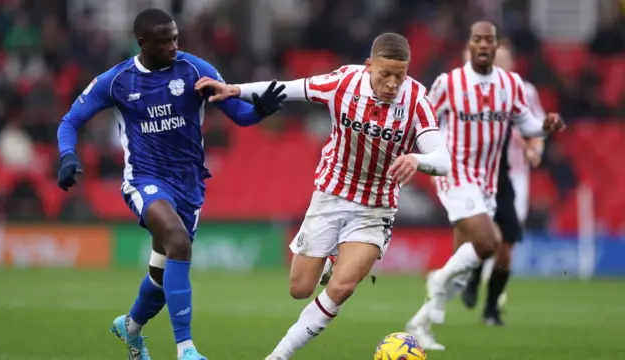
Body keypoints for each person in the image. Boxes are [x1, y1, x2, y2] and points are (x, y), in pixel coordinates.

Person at [195, 32, 452, 360]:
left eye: (398, 76)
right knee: (299, 288)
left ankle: (277, 356)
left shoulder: (416, 100)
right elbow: (291, 88)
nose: (391, 84)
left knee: (342, 288)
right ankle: (331, 260)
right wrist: (235, 90)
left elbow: (442, 160)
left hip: (376, 206)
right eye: (384, 74)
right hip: (331, 194)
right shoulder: (343, 82)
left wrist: (418, 159)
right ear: (368, 65)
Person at [56, 8, 286, 360]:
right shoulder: (117, 81)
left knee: (162, 277)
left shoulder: (196, 70)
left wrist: (261, 110)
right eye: (165, 41)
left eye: (176, 38)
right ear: (142, 43)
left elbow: (239, 116)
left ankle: (130, 327)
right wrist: (68, 156)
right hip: (144, 179)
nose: (173, 46)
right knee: (178, 242)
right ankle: (186, 349)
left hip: (189, 186)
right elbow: (70, 120)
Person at [404, 21, 565, 350]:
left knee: (465, 261)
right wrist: (420, 156)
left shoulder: (511, 84)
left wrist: (546, 128)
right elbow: (424, 119)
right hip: (455, 172)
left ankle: (421, 322)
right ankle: (438, 281)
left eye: (488, 40)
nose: (482, 45)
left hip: (488, 181)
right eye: (476, 39)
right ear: (469, 45)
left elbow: (528, 123)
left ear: (495, 46)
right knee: (489, 242)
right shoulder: (448, 83)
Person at [460, 40, 546, 326]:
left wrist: (535, 150)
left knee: (506, 245)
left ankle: (491, 307)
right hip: (481, 174)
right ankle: (473, 277)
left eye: (503, 61)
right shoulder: (471, 90)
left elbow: (537, 129)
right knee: (488, 234)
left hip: (515, 176)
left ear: (512, 64)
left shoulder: (525, 91)